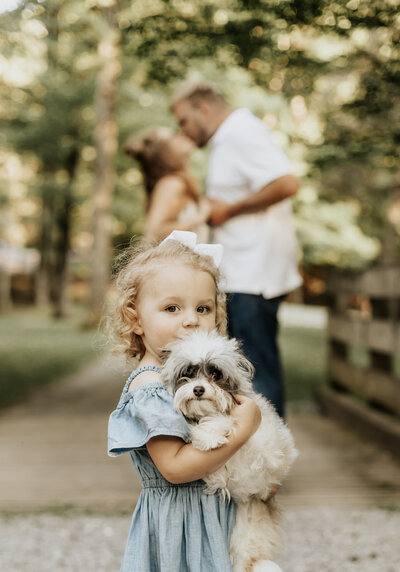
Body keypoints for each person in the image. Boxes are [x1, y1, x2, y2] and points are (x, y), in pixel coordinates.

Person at [107, 231, 262, 572]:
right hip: (180, 525)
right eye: (172, 308)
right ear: (136, 319)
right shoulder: (150, 386)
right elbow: (175, 468)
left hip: (211, 513)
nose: (191, 319)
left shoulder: (197, 380)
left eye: (203, 308)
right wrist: (243, 429)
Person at [171, 82, 303, 418]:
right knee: (246, 371)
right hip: (242, 272)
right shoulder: (226, 140)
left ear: (203, 108)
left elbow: (287, 183)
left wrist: (229, 211)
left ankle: (267, 460)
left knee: (255, 372)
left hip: (254, 273)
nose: (182, 130)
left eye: (183, 120)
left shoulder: (242, 131)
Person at [124, 127, 210, 242]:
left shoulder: (176, 181)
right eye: (173, 135)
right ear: (164, 152)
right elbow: (153, 234)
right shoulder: (171, 184)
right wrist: (200, 217)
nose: (181, 134)